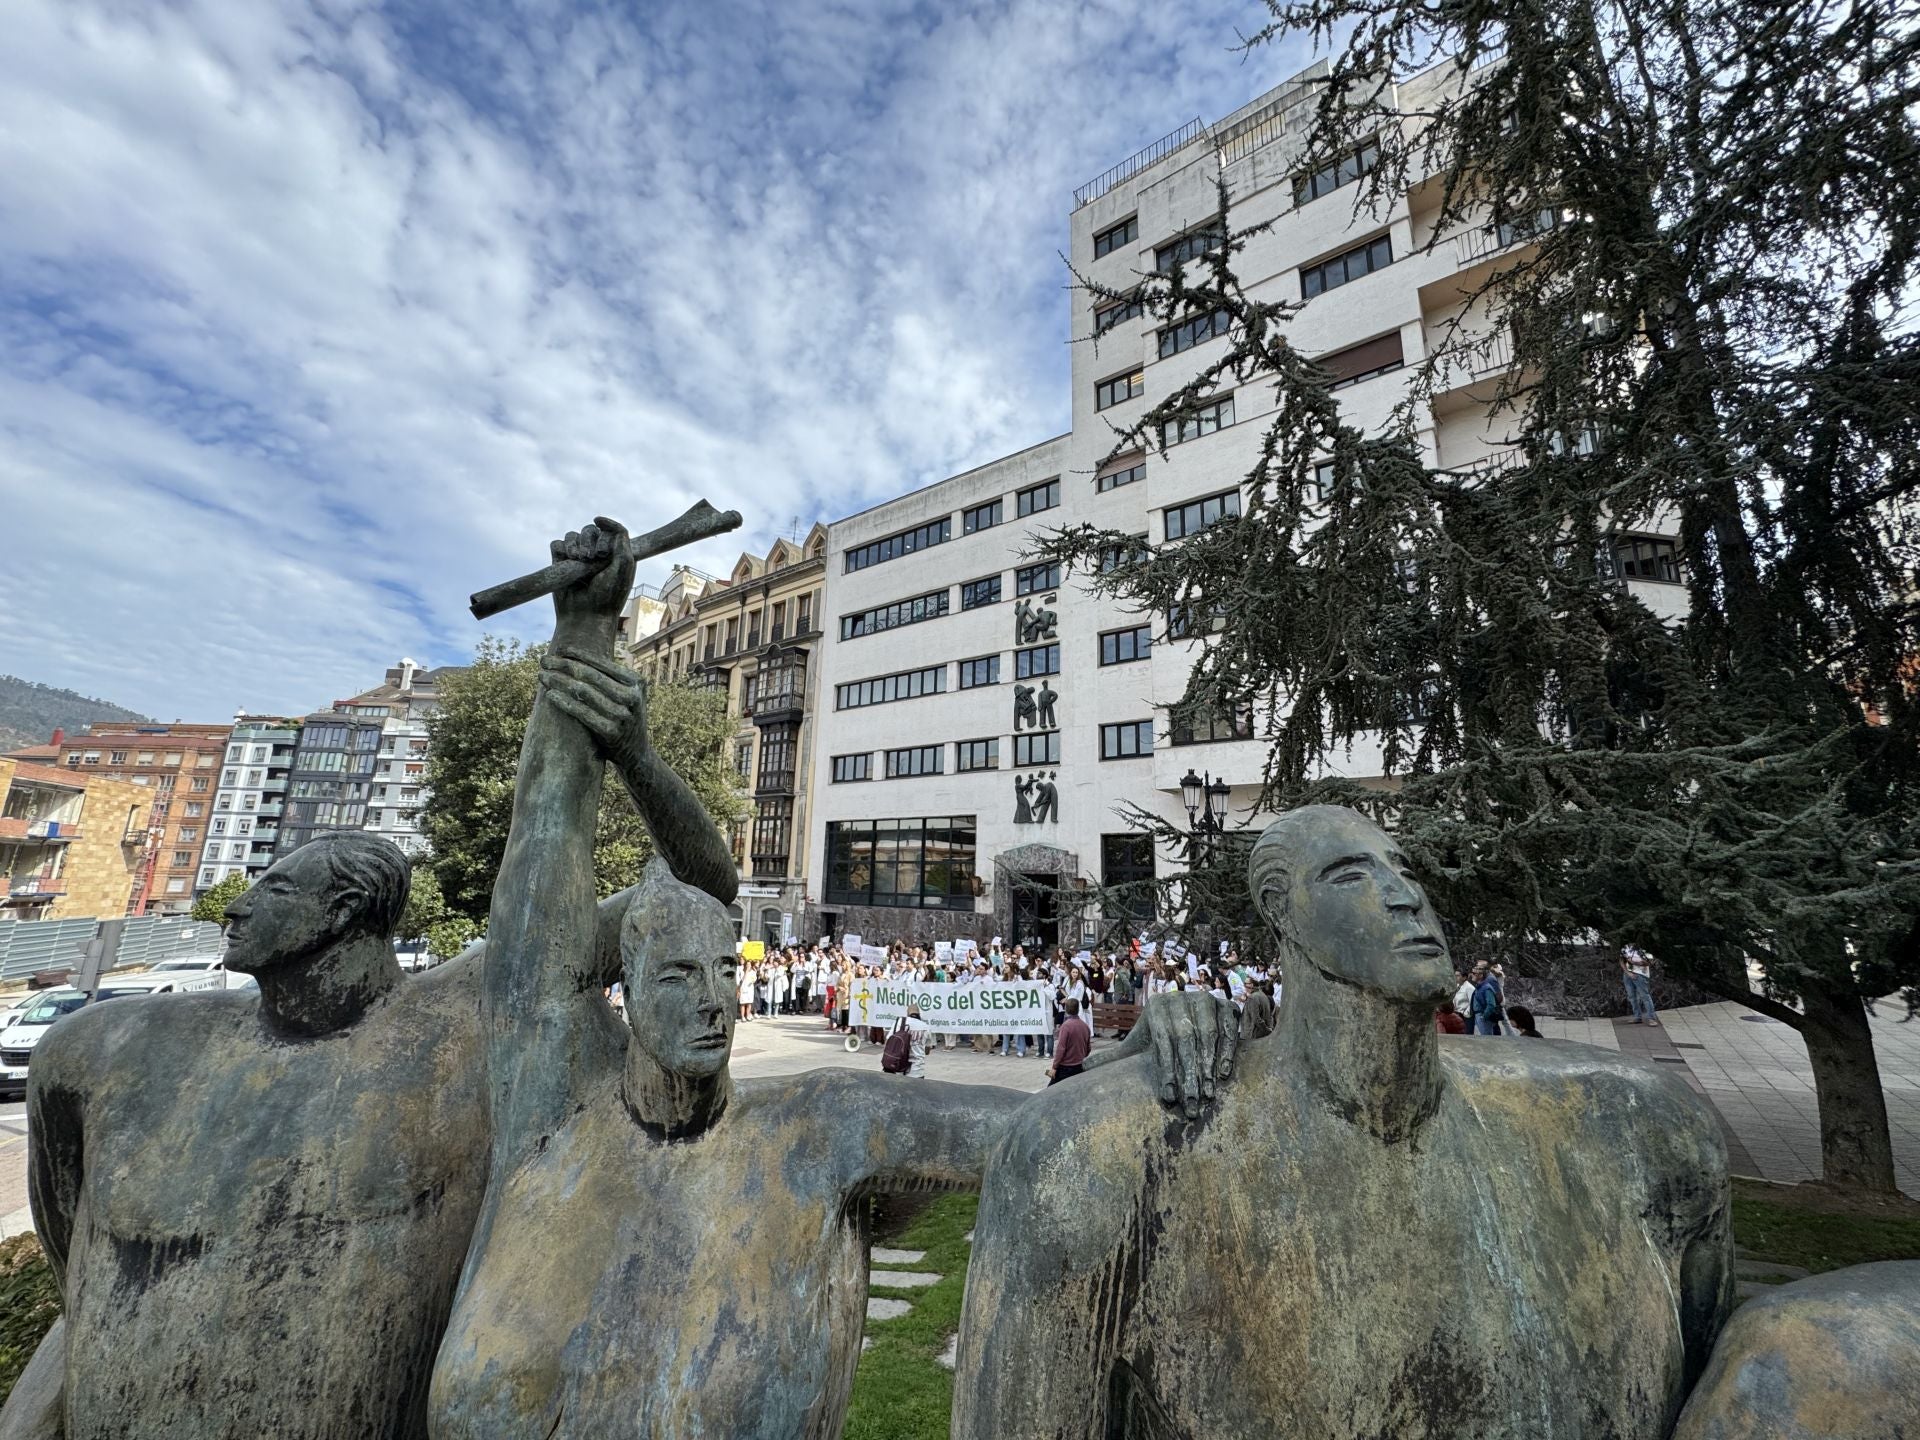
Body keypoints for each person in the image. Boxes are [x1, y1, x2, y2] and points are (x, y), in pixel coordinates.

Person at [426, 518, 1240, 1440]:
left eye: (724, 970)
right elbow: (540, 861)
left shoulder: (820, 1129)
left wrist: (1156, 1039)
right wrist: (583, 633)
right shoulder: (547, 1103)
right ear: (615, 973)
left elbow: (1040, 1127)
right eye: (679, 974)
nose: (712, 1000)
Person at [3, 522, 737, 1440]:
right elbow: (82, 1286)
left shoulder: (472, 1011)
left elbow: (701, 894)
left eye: (275, 889)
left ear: (349, 913)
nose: (239, 907)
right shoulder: (109, 1051)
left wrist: (625, 729)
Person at [954, 805, 1734, 1440]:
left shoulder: (1636, 1126)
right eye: (1350, 875)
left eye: (1404, 871)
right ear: (1279, 913)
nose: (1405, 896)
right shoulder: (1100, 1158)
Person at [1048, 997, 1092, 1084]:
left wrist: (1054, 1067)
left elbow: (1061, 1049)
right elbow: (1088, 1048)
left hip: (1066, 1067)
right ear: (1078, 1009)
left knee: (1049, 1093)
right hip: (1079, 1066)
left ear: (1066, 1009)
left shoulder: (1065, 1026)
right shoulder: (1085, 1026)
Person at [1622, 944, 1659, 1026]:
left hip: (1640, 975)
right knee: (1632, 996)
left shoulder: (1644, 948)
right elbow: (1621, 960)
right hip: (1628, 975)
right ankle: (1637, 1017)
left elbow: (1649, 962)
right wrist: (1628, 972)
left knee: (1645, 996)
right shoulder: (1626, 947)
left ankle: (1651, 1018)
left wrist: (1633, 962)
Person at [1471, 962, 1504, 1035]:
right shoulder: (1480, 986)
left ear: (1480, 975)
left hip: (1483, 1016)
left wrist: (1484, 1016)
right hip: (1479, 1015)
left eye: (1474, 973)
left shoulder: (1486, 987)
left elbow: (1491, 1005)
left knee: (1487, 1037)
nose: (1471, 975)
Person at [903, 1003, 933, 1078]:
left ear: (907, 1013)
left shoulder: (899, 1022)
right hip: (917, 1070)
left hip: (899, 1068)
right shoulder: (926, 1027)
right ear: (919, 1014)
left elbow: (888, 1042)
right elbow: (927, 1051)